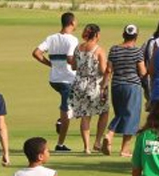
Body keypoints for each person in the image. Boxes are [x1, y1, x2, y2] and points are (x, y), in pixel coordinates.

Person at [32, 12, 79, 153]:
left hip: (54, 80)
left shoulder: (51, 38)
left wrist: (50, 64)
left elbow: (36, 53)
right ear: (71, 23)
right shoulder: (72, 40)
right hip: (67, 79)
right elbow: (70, 58)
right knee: (67, 110)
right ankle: (60, 143)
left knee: (74, 104)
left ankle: (64, 117)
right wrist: (79, 65)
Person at [103, 24, 147, 157]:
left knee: (121, 113)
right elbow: (142, 71)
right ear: (136, 36)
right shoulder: (137, 51)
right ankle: (120, 145)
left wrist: (104, 86)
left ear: (123, 35)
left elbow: (109, 70)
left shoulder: (114, 49)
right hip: (132, 86)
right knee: (131, 116)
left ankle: (113, 137)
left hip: (116, 85)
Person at [68, 24, 110, 154]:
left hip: (79, 83)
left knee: (85, 115)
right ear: (97, 35)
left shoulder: (79, 47)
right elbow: (103, 70)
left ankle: (86, 147)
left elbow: (74, 66)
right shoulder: (99, 50)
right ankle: (97, 141)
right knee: (104, 111)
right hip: (94, 84)